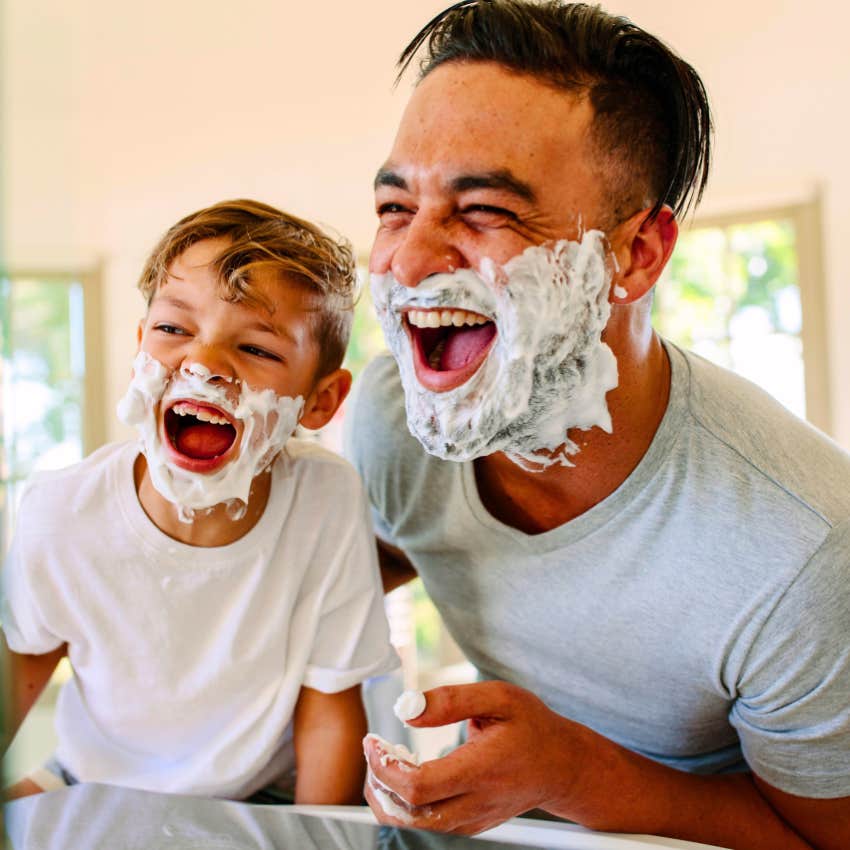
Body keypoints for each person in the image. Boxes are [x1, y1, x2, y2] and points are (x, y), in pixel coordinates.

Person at [343, 2, 850, 848]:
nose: (408, 261)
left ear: (637, 255)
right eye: (396, 207)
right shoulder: (395, 422)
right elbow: (354, 566)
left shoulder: (802, 551)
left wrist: (570, 774)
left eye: (486, 212)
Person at [1, 199, 399, 802]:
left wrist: (319, 838)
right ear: (140, 349)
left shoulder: (325, 499)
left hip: (259, 795)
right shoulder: (61, 513)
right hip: (94, 783)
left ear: (320, 402)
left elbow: (329, 709)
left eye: (258, 349)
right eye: (172, 329)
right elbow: (19, 674)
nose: (205, 364)